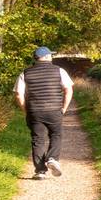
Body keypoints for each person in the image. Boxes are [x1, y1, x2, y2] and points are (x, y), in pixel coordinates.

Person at [14, 47, 73, 180]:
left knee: (38, 139)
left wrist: (26, 110)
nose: (52, 57)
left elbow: (18, 94)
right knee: (56, 135)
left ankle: (40, 171)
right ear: (46, 57)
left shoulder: (25, 73)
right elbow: (68, 90)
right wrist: (64, 108)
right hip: (54, 110)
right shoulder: (60, 71)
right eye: (50, 55)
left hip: (35, 111)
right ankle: (52, 158)